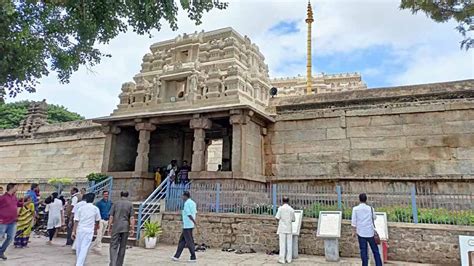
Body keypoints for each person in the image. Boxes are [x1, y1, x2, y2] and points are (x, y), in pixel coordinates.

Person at [351, 193, 382, 266]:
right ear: (366, 199)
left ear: (359, 199)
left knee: (363, 251)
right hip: (370, 232)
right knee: (375, 250)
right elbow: (374, 217)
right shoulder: (371, 208)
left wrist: (353, 232)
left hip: (361, 232)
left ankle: (364, 264)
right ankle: (379, 264)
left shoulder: (355, 209)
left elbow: (353, 222)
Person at [73, 193, 101, 266]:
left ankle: (79, 263)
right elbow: (97, 220)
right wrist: (95, 229)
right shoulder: (95, 209)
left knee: (79, 247)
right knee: (84, 247)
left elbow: (76, 220)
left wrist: (74, 231)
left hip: (80, 229)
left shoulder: (81, 208)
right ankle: (79, 263)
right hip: (89, 230)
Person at [108, 191, 134, 266]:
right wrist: (132, 228)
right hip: (125, 227)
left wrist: (109, 226)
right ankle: (119, 264)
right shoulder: (130, 204)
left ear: (120, 195)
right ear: (127, 195)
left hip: (116, 226)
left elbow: (111, 216)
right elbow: (132, 218)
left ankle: (113, 263)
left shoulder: (116, 203)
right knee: (122, 246)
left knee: (113, 245)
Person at [172, 191, 197, 263]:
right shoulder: (193, 203)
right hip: (189, 225)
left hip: (187, 225)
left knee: (189, 241)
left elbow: (189, 214)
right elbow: (194, 213)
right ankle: (176, 256)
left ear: (185, 196)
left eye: (183, 196)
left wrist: (194, 221)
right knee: (182, 241)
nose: (182, 197)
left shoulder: (186, 203)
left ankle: (193, 257)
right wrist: (194, 222)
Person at [0, 183, 22, 260]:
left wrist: (27, 202)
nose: (17, 188)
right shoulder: (3, 198)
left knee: (10, 238)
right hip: (3, 221)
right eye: (16, 187)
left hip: (13, 221)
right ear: (11, 187)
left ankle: (1, 252)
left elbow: (18, 204)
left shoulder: (14, 197)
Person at [275, 196, 295, 264]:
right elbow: (293, 219)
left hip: (282, 228)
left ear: (282, 201)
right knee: (289, 244)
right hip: (289, 228)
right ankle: (289, 259)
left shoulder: (280, 209)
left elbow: (277, 217)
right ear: (288, 201)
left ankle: (282, 259)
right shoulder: (291, 209)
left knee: (282, 244)